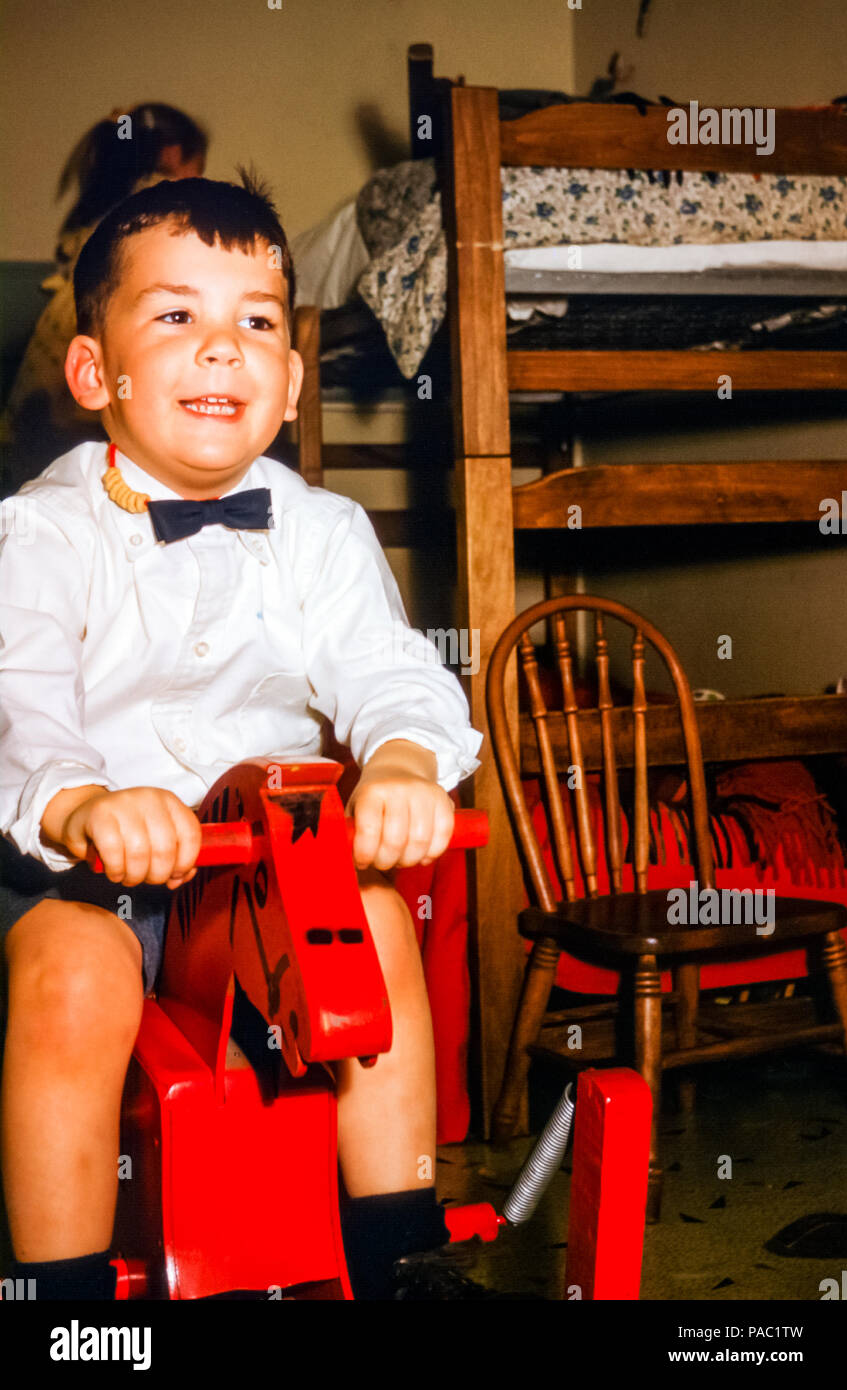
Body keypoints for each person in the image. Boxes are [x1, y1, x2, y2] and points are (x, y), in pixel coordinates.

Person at [0, 171, 495, 1301]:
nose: (222, 348)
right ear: (96, 373)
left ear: (290, 381)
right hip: (82, 867)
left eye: (257, 323)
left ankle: (397, 1243)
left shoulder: (322, 530)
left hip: (259, 864)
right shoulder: (38, 530)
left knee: (370, 914)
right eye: (176, 316)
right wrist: (81, 801)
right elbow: (18, 702)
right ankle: (64, 1297)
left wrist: (409, 760)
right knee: (73, 978)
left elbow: (384, 668)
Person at [1, 104, 207, 477]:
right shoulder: (159, 209)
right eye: (198, 167)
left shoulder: (101, 205)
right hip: (102, 334)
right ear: (174, 154)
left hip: (53, 380)